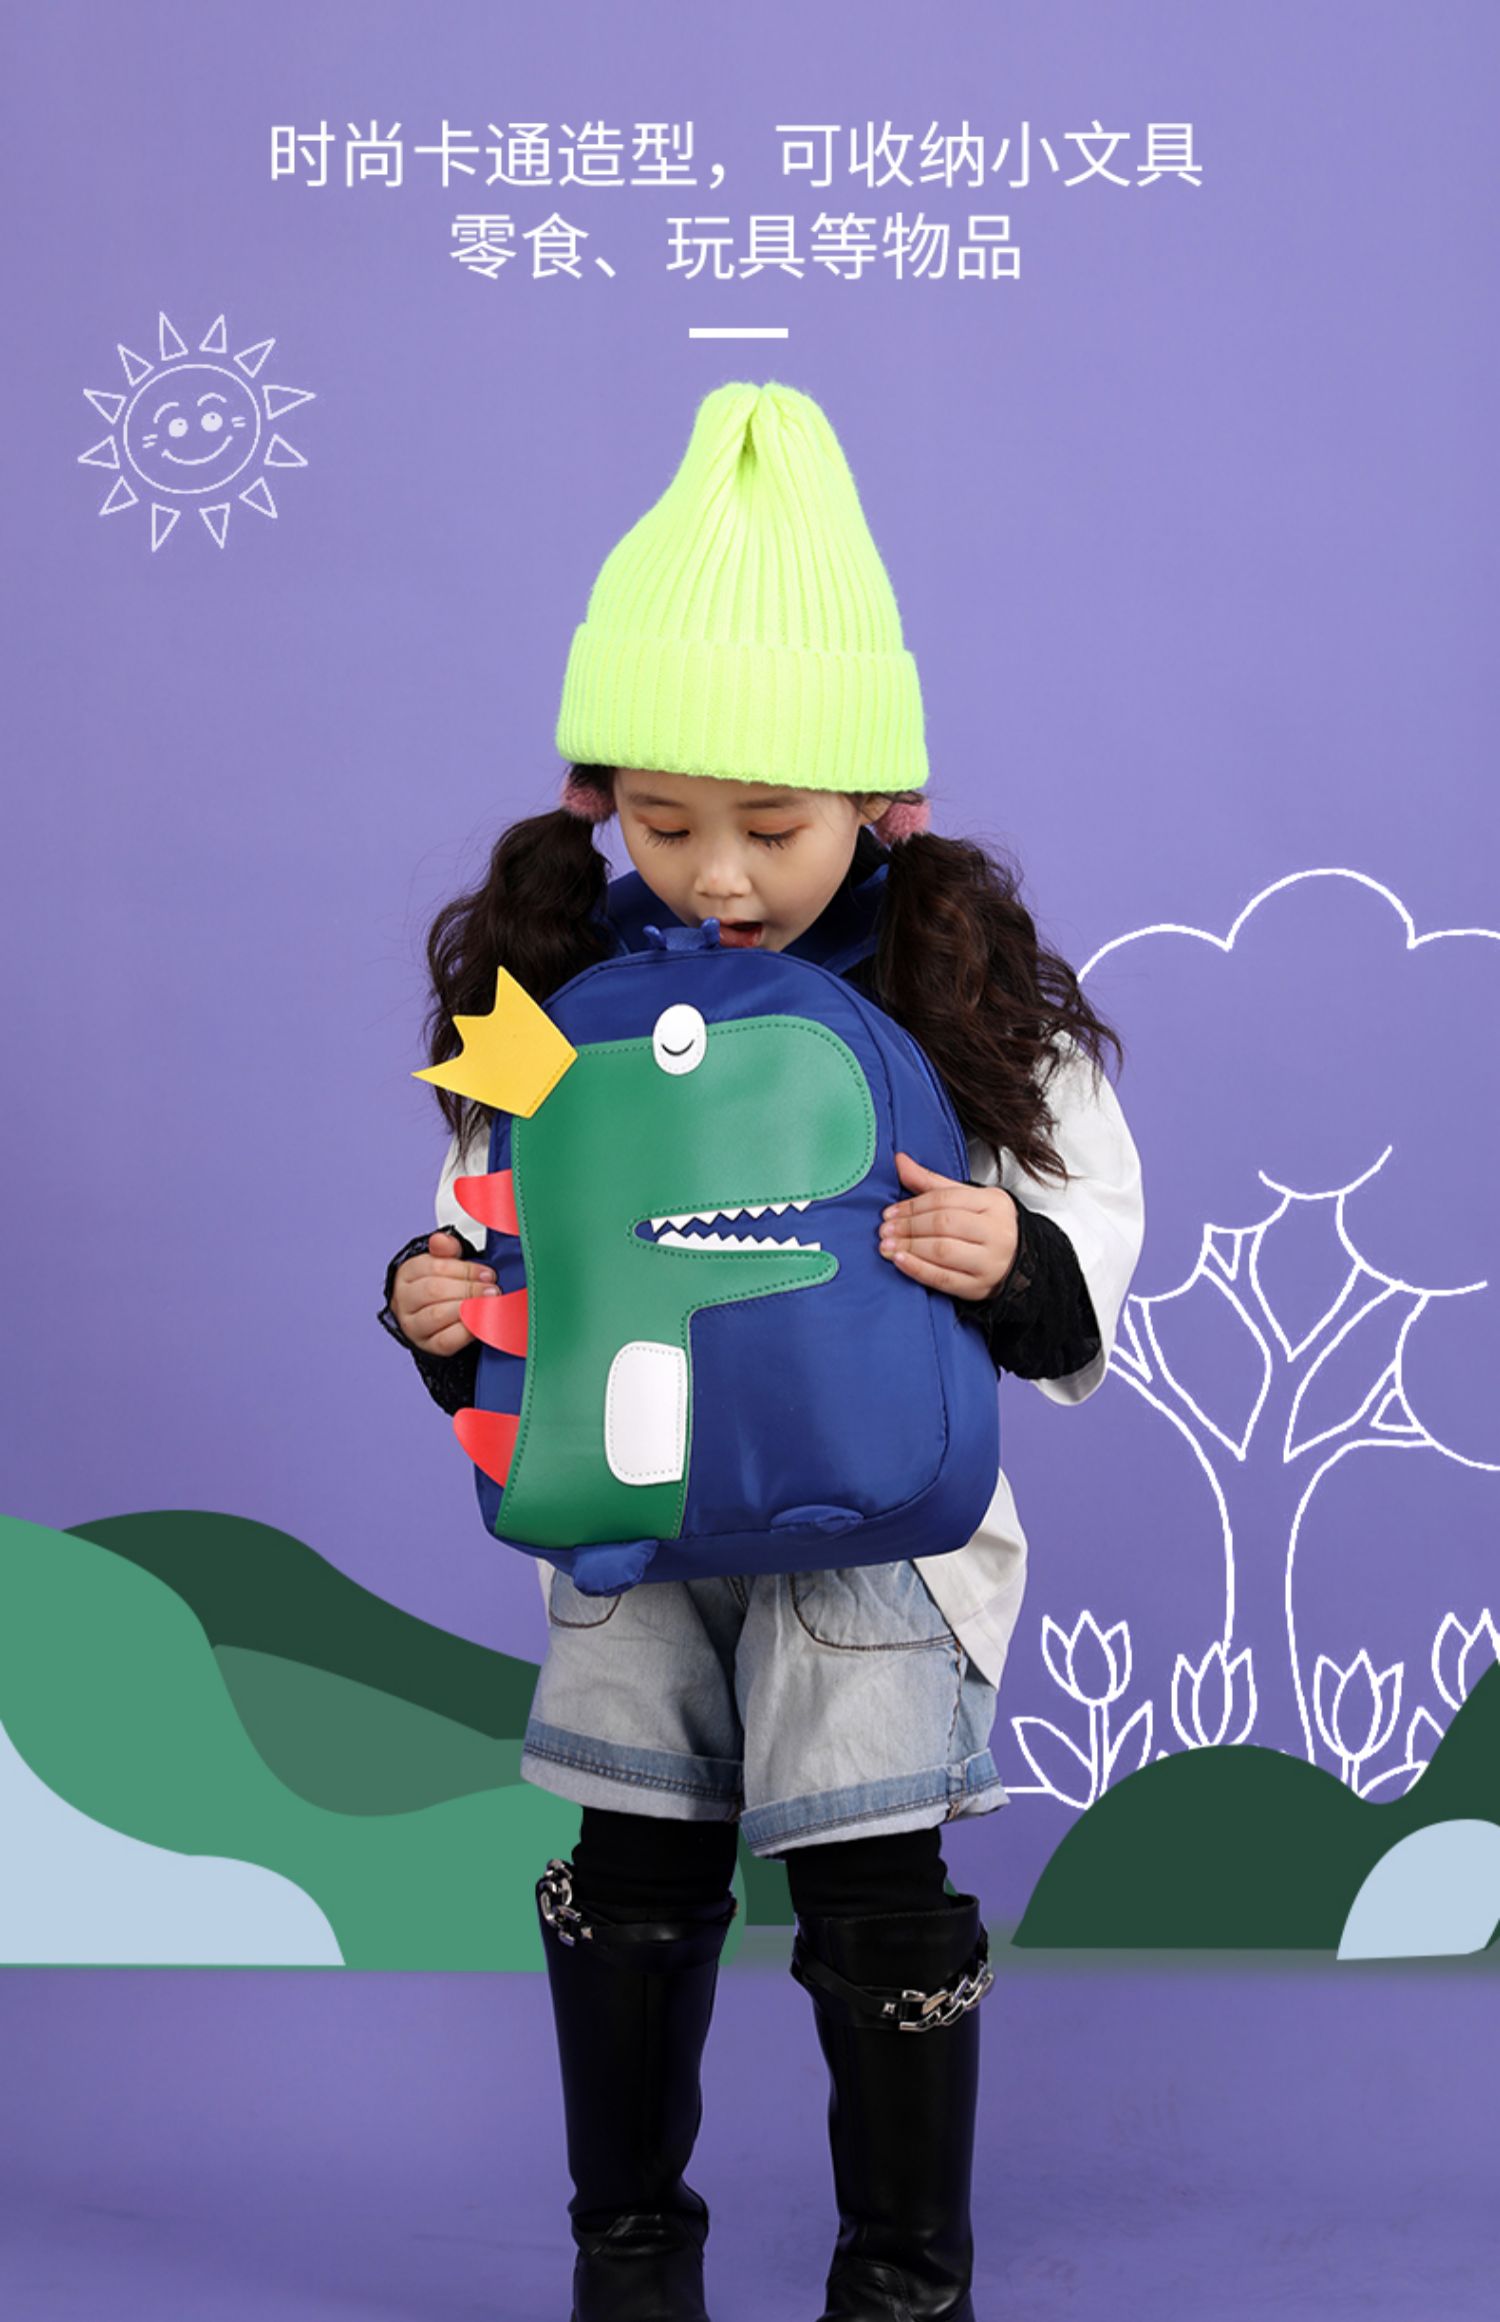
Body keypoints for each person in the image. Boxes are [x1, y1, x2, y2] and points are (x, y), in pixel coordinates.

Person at [378, 382, 1145, 2322]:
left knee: (872, 1890)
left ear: (882, 801)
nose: (716, 876)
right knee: (633, 1878)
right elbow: (487, 1215)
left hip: (869, 1542)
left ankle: (904, 2280)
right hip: (632, 1520)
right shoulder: (562, 990)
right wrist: (437, 1303)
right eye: (664, 821)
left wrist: (1014, 1260)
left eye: (771, 827)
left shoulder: (955, 991)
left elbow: (1091, 1246)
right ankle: (631, 2260)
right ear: (600, 800)